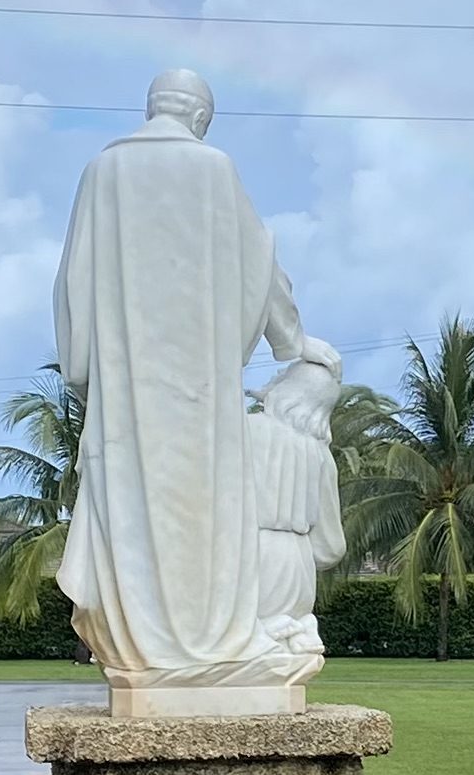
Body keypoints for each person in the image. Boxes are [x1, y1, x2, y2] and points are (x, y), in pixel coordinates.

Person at [53, 69, 340, 696]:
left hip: (127, 392)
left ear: (151, 108)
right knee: (203, 517)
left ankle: (144, 642)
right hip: (200, 392)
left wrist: (86, 372)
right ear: (201, 118)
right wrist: (293, 343)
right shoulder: (213, 170)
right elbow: (260, 262)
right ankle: (205, 639)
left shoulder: (103, 172)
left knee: (132, 510)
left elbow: (75, 280)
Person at [246, 358, 347, 656]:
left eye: (284, 374)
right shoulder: (321, 456)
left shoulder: (243, 431)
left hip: (250, 557)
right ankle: (303, 627)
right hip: (299, 568)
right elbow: (330, 548)